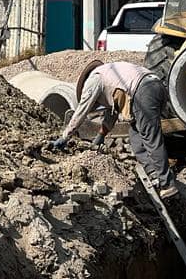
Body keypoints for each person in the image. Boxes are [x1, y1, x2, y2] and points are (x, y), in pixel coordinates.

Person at [49, 60, 177, 197]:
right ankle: (154, 174)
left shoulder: (94, 79)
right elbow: (112, 113)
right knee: (136, 139)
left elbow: (82, 110)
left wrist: (65, 136)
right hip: (157, 87)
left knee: (150, 137)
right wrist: (101, 136)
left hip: (143, 92)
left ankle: (167, 184)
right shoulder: (111, 75)